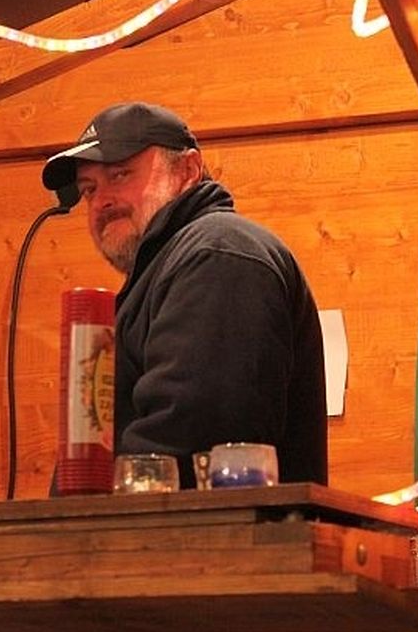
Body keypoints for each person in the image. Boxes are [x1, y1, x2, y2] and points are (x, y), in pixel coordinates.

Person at [41, 102, 327, 488]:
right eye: (89, 189)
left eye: (120, 174)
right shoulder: (171, 268)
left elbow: (191, 438)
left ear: (188, 170)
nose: (101, 201)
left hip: (202, 528)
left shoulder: (218, 254)